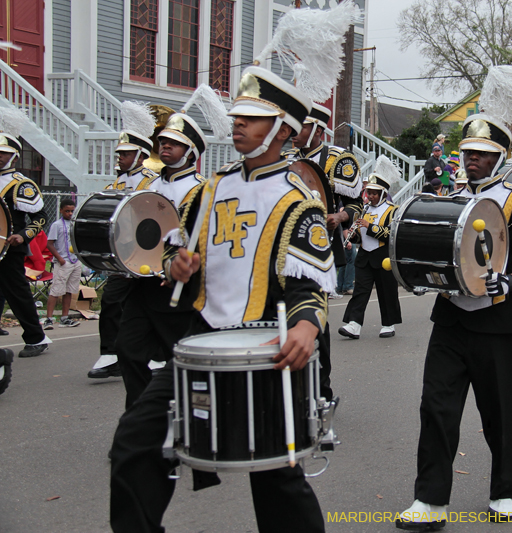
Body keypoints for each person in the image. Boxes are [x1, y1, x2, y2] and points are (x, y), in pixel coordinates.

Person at [109, 65, 333, 533]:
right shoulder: (210, 189)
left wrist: (307, 327)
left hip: (265, 352)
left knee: (276, 476)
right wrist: (178, 266)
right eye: (237, 115)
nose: (237, 123)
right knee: (135, 444)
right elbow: (175, 251)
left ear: (281, 130)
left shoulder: (299, 202)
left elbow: (308, 287)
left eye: (250, 117)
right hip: (200, 345)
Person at [397, 109, 512, 529]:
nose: (473, 159)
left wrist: (510, 282)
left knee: (500, 413)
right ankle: (429, 501)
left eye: (483, 154)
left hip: (499, 324)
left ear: (501, 157)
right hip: (451, 319)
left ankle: (506, 490)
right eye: (468, 151)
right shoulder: (449, 200)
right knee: (436, 407)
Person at [113, 98, 212, 409]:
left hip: (179, 291)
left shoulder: (203, 191)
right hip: (142, 284)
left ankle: (193, 420)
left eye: (174, 143)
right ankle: (141, 418)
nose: (165, 147)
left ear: (191, 152)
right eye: (164, 142)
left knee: (184, 361)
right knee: (129, 351)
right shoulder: (147, 186)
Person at [283, 102, 362, 401]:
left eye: (301, 125)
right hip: (286, 248)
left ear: (317, 129)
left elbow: (356, 205)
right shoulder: (286, 159)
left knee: (314, 316)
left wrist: (339, 218)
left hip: (321, 249)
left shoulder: (340, 160)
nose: (294, 131)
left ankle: (321, 390)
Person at [88, 102, 159, 379]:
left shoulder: (152, 183)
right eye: (120, 153)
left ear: (140, 155)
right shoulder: (113, 186)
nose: (120, 158)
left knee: (150, 303)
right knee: (111, 302)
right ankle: (110, 353)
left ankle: (157, 355)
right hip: (121, 254)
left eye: (126, 153)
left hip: (146, 253)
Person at [0, 106, 51, 358]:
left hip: (11, 245)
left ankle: (37, 337)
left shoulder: (21, 184)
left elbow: (41, 217)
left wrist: (24, 235)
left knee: (18, 294)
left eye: (4, 153)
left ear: (14, 157)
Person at [338, 157, 402, 339]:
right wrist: (354, 233)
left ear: (383, 193)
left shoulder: (392, 210)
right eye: (369, 192)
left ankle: (388, 324)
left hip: (383, 257)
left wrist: (369, 226)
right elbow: (361, 235)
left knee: (386, 291)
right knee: (360, 291)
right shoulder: (365, 209)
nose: (370, 196)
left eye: (374, 193)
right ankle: (354, 324)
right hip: (365, 256)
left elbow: (391, 234)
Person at [43, 198, 81, 329]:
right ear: (61, 210)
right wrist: (59, 258)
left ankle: (65, 317)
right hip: (63, 261)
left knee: (69, 290)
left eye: (72, 211)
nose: (70, 214)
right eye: (67, 211)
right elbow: (49, 243)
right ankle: (49, 318)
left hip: (75, 260)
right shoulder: (57, 225)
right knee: (56, 290)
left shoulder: (75, 224)